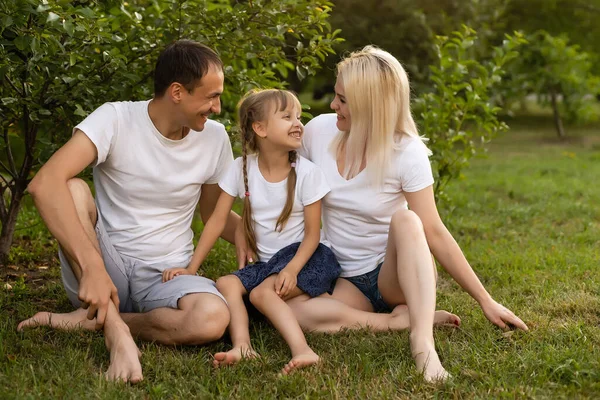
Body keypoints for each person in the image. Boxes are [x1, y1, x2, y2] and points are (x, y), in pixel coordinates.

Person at [257, 46, 528, 382]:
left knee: (408, 220)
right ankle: (404, 320)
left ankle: (423, 343)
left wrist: (486, 301)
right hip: (345, 278)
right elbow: (281, 185)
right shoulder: (319, 132)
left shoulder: (407, 151)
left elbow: (434, 230)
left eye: (342, 99)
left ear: (369, 105)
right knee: (292, 311)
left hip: (395, 276)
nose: (332, 105)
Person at [17, 40, 241, 383]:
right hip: (103, 268)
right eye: (211, 97)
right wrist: (92, 268)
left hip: (168, 275)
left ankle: (101, 320)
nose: (217, 107)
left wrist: (263, 238)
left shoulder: (214, 138)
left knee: (211, 319)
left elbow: (213, 212)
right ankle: (115, 333)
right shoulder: (116, 118)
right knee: (72, 187)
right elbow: (44, 184)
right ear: (177, 92)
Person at [163, 89, 340, 374]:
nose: (298, 123)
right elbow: (217, 221)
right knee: (226, 283)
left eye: (299, 116)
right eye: (287, 117)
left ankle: (304, 351)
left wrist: (292, 270)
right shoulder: (241, 168)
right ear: (260, 128)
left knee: (260, 294)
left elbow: (312, 236)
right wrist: (191, 268)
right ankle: (242, 346)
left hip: (308, 259)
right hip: (268, 264)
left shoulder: (308, 173)